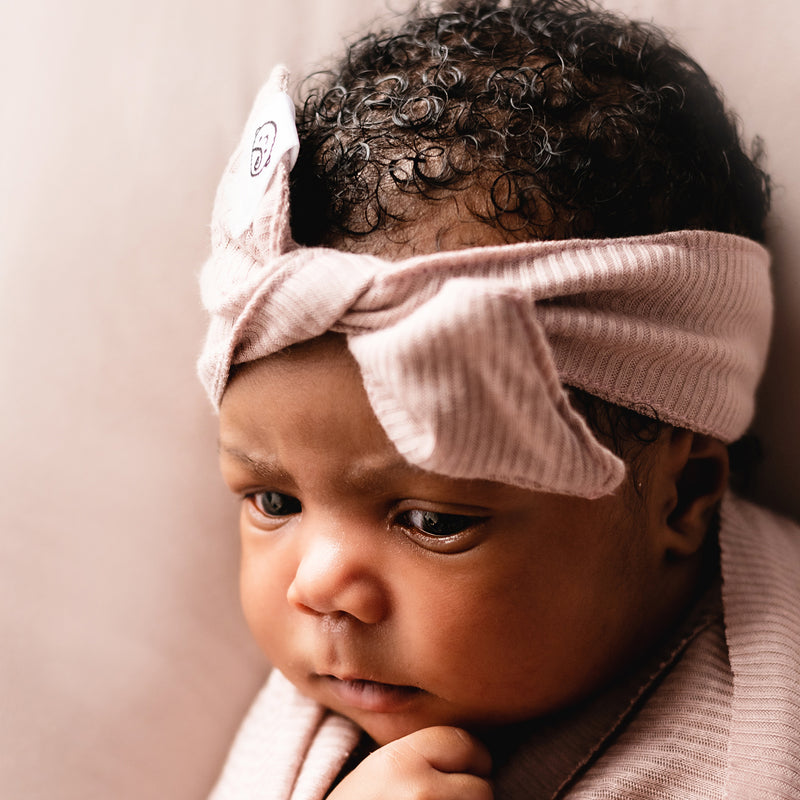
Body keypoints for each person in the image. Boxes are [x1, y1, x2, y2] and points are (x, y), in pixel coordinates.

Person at [197, 1, 800, 797]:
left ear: (680, 495)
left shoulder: (758, 731)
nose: (316, 586)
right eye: (273, 501)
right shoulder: (324, 723)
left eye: (433, 521)